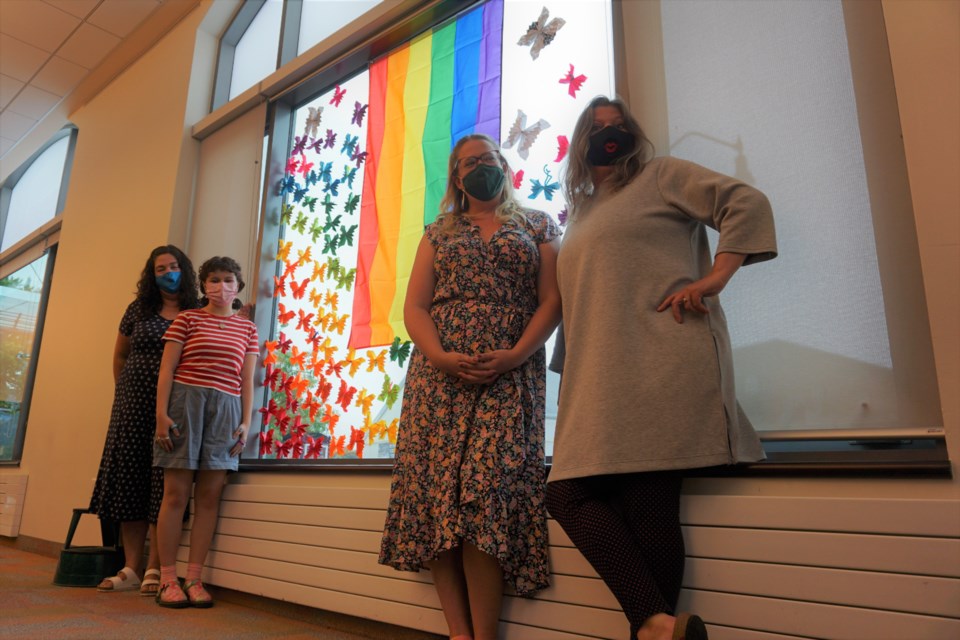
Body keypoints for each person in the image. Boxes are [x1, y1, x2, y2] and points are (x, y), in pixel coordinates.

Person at [545, 96, 777, 640]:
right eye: (598, 128)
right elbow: (583, 299)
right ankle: (656, 627)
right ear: (581, 143)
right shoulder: (580, 212)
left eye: (619, 126)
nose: (610, 134)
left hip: (661, 364)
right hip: (605, 379)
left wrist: (714, 278)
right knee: (577, 495)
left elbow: (745, 202)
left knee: (639, 501)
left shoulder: (661, 176)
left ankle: (650, 626)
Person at [379, 134, 562, 640]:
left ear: (504, 164)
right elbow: (415, 306)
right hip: (439, 377)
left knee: (487, 497)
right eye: (468, 163)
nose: (480, 167)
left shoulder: (538, 224)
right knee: (440, 497)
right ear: (457, 178)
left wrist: (516, 355)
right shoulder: (439, 231)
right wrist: (439, 356)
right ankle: (460, 634)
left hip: (511, 374)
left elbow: (552, 301)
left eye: (488, 158)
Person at [89, 245, 200, 596]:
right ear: (151, 275)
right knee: (129, 482)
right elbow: (120, 356)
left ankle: (156, 566)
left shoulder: (197, 312)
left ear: (184, 269)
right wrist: (125, 395)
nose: (168, 272)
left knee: (164, 485)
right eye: (160, 268)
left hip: (175, 408)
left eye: (173, 266)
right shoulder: (138, 309)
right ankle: (131, 567)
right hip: (132, 406)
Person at [152, 256, 259, 608]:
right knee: (175, 495)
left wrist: (245, 422)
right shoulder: (187, 319)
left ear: (238, 286)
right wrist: (161, 416)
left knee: (210, 498)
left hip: (226, 412)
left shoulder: (248, 329)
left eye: (228, 280)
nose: (221, 286)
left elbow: (246, 381)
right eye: (213, 280)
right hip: (186, 405)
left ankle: (194, 578)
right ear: (203, 286)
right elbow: (167, 370)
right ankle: (168, 579)